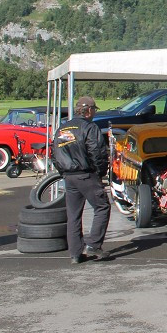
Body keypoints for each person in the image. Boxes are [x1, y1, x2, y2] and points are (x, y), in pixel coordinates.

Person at [52, 95, 111, 264]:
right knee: (102, 206)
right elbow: (97, 152)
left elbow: (54, 154)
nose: (94, 113)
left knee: (73, 215)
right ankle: (93, 245)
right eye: (94, 110)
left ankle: (75, 253)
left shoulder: (62, 129)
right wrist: (100, 173)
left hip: (69, 177)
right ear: (89, 111)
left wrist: (63, 172)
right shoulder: (89, 127)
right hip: (86, 174)